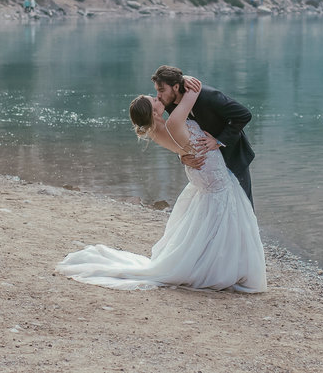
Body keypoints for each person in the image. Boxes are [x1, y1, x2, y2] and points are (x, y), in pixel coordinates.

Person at [56, 76, 266, 293]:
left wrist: (185, 155)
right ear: (155, 113)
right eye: (155, 98)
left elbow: (181, 146)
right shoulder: (174, 122)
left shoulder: (158, 131)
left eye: (157, 94)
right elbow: (194, 91)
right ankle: (220, 267)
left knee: (209, 221)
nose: (158, 98)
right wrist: (185, 79)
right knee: (221, 218)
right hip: (212, 176)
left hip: (204, 173)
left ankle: (215, 262)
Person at [152, 65, 255, 207]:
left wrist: (218, 141)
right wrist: (182, 156)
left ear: (176, 87)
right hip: (208, 167)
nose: (158, 95)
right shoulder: (170, 106)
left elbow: (244, 115)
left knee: (244, 206)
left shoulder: (209, 96)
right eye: (157, 90)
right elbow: (179, 135)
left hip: (232, 156)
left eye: (161, 90)